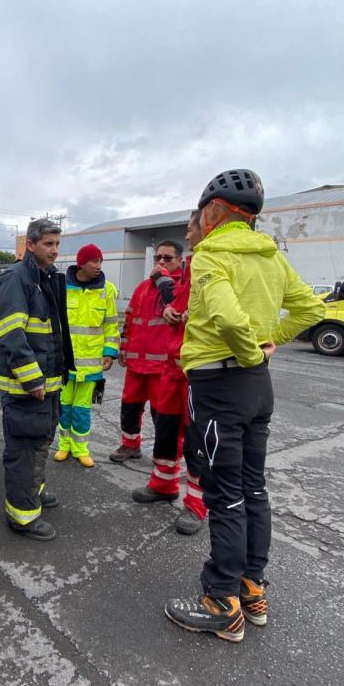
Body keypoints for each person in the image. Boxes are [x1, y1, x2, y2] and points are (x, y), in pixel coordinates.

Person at [165, 170, 325, 643]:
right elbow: (311, 310)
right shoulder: (272, 256)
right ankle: (254, 587)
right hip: (258, 387)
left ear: (214, 211)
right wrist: (270, 342)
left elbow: (226, 316)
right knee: (253, 489)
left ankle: (221, 601)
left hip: (220, 385)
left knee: (225, 494)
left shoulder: (212, 253)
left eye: (203, 212)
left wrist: (251, 349)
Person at [0, 218, 75, 541]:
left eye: (57, 244)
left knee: (40, 444)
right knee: (24, 451)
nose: (54, 250)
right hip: (28, 389)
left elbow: (54, 333)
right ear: (30, 245)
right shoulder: (17, 279)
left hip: (48, 386)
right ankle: (22, 516)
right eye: (48, 244)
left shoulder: (47, 277)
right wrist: (32, 380)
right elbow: (11, 336)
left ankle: (33, 494)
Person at [130, 216, 208, 535]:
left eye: (191, 228)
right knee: (165, 429)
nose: (188, 233)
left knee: (196, 439)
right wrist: (169, 309)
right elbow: (179, 302)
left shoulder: (208, 264)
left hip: (197, 367)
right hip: (172, 366)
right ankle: (163, 485)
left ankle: (197, 504)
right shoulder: (193, 265)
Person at [110, 240, 182, 463]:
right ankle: (130, 445)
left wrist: (163, 281)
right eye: (157, 257)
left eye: (167, 258)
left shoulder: (180, 287)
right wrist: (124, 346)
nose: (161, 261)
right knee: (130, 406)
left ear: (179, 260)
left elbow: (179, 314)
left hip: (163, 366)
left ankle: (163, 457)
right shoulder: (142, 287)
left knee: (163, 414)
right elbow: (130, 319)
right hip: (135, 364)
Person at [55, 244, 119, 468]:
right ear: (81, 263)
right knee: (64, 405)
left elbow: (111, 324)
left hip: (91, 364)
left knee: (82, 409)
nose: (98, 266)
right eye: (94, 261)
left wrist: (110, 352)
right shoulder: (61, 286)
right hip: (64, 363)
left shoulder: (107, 290)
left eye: (101, 261)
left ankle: (81, 448)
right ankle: (64, 445)